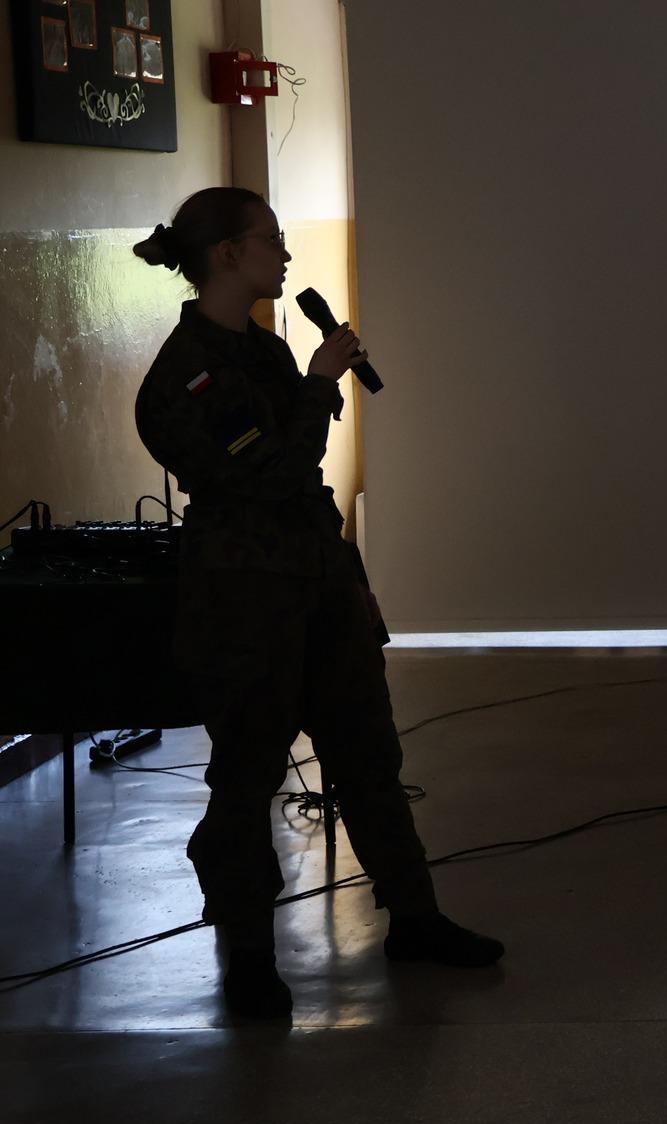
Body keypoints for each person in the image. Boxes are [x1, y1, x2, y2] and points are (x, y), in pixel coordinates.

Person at [132, 188, 502, 1021]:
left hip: (318, 585)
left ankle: (415, 917)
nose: (286, 254)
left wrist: (351, 575)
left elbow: (308, 491)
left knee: (369, 752)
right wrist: (319, 385)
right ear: (228, 254)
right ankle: (249, 955)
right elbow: (269, 474)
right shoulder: (189, 371)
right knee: (247, 776)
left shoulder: (264, 350)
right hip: (247, 601)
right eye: (271, 240)